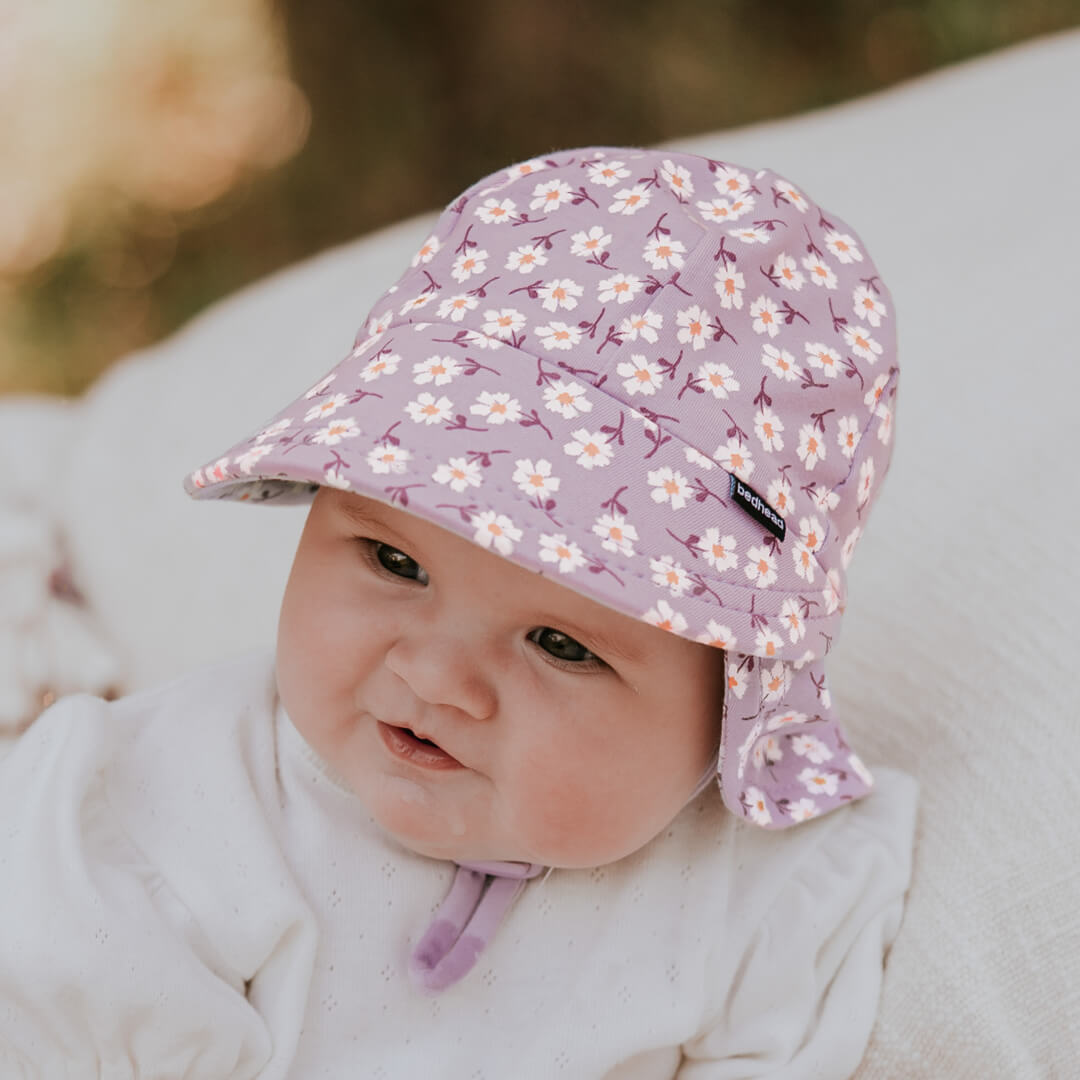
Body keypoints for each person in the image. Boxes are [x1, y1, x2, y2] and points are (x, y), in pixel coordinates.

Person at [0, 147, 916, 1078]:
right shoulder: (179, 800)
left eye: (561, 644)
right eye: (395, 560)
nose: (435, 676)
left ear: (739, 694)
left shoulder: (763, 902)